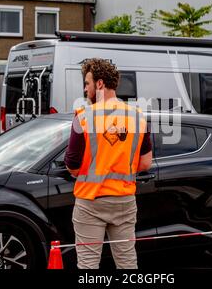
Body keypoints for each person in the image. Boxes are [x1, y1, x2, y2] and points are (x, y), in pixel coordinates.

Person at [64, 58, 152, 269]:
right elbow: (146, 163)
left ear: (100, 84)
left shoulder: (83, 116)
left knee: (88, 265)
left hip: (91, 200)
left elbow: (72, 165)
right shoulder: (138, 116)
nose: (85, 89)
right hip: (124, 200)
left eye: (87, 83)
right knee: (127, 263)